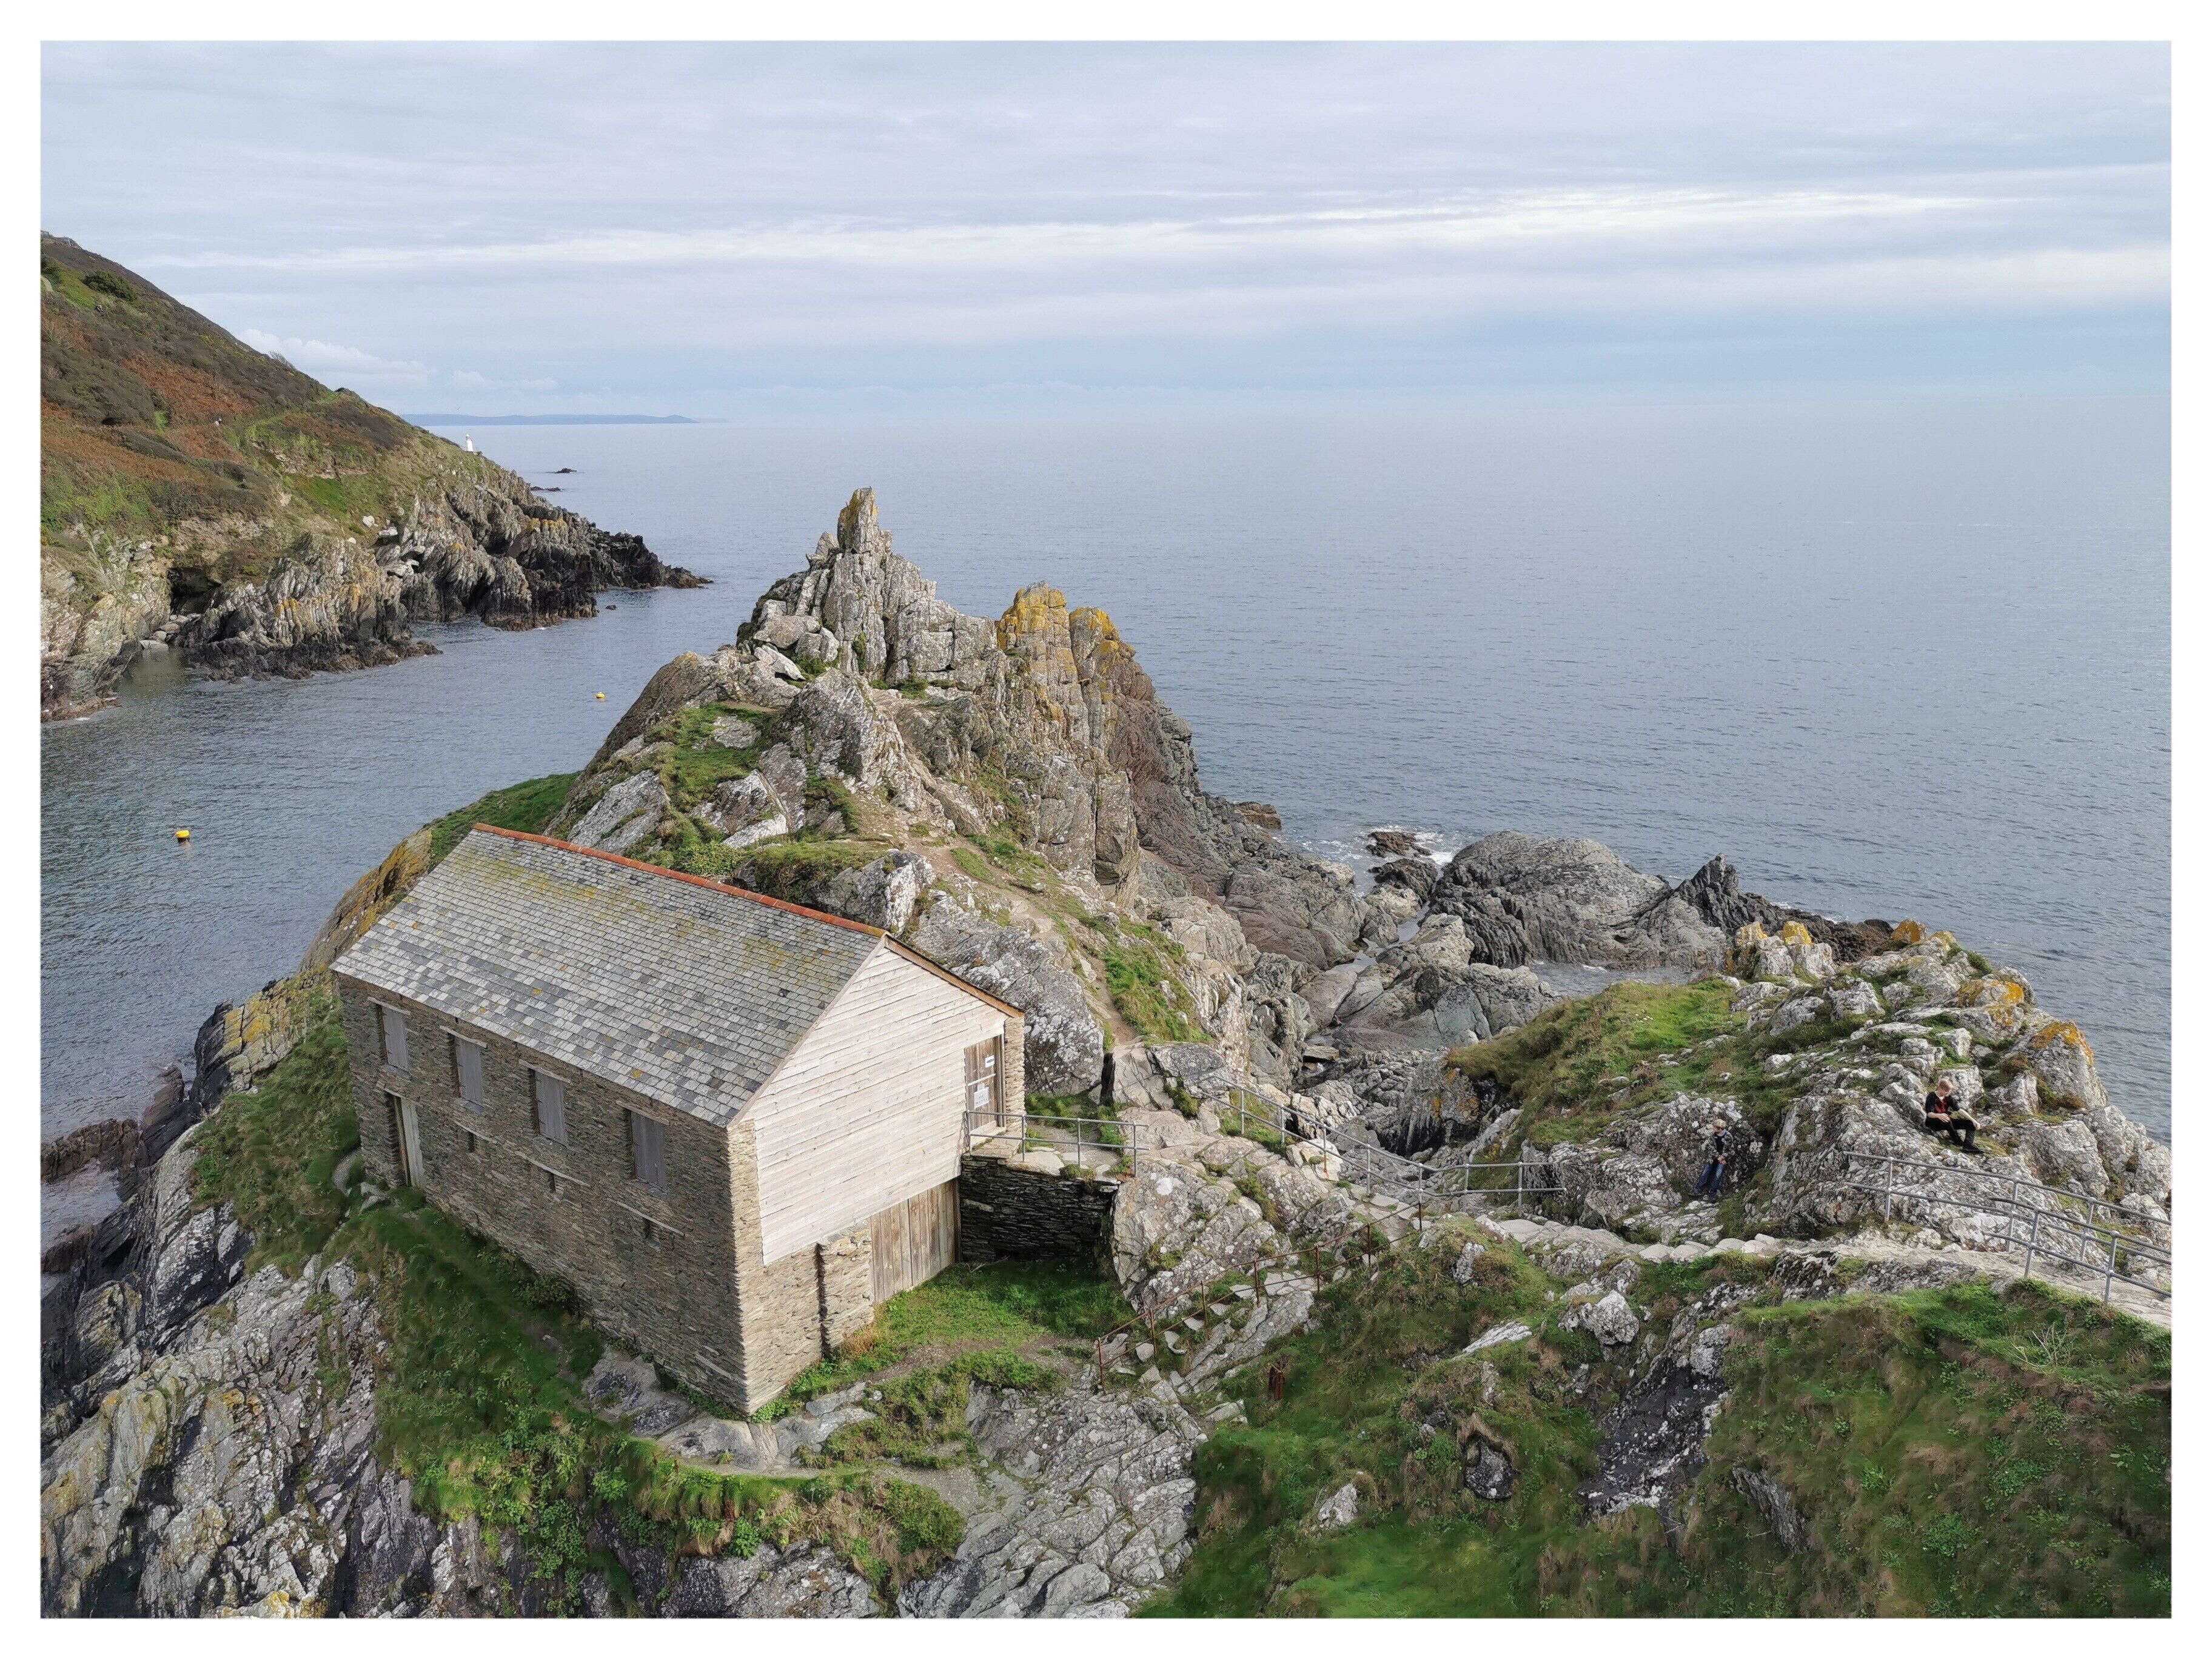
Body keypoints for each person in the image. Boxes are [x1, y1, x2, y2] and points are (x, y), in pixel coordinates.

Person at [1923, 1076, 1979, 1152]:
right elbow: (1929, 1114)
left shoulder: (1948, 1098)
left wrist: (1974, 1121)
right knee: (1947, 1119)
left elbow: (1959, 1110)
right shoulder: (1932, 1097)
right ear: (1940, 1088)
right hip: (1933, 1122)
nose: (1948, 1093)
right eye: (1946, 1091)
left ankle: (1968, 1146)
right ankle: (1958, 1142)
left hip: (1946, 1120)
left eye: (1949, 1091)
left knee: (1970, 1124)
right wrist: (1939, 1116)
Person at [1694, 1118, 1729, 1200]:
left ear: (1720, 1129)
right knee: (1705, 1172)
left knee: (1718, 1175)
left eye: (1714, 1127)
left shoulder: (1728, 1136)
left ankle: (1713, 1192)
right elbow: (1710, 1147)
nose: (1713, 1129)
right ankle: (1698, 1189)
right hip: (1713, 1158)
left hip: (1722, 1160)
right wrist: (1718, 1157)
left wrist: (1722, 1158)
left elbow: (1731, 1150)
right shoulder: (1713, 1136)